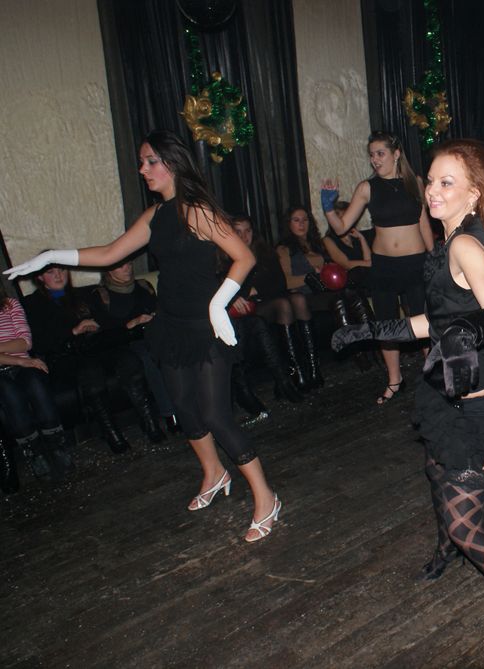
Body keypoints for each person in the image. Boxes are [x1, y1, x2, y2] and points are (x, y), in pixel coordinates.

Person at [5, 129, 280, 543]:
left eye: (150, 161)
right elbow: (110, 253)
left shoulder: (197, 210)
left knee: (215, 416)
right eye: (141, 161)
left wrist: (218, 304)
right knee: (183, 409)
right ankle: (214, 473)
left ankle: (266, 497)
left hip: (205, 327)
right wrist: (52, 256)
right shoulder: (156, 216)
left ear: (172, 163)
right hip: (170, 325)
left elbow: (244, 257)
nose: (143, 169)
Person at [330, 139, 484, 665]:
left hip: (478, 405)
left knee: (466, 524)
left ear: (474, 193)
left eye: (447, 182)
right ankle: (447, 548)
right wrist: (373, 331)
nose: (432, 190)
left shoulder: (466, 244)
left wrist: (470, 329)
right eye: (430, 180)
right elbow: (439, 318)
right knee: (434, 468)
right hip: (444, 387)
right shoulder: (454, 236)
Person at [321, 131, 434, 405]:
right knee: (385, 324)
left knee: (422, 321)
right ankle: (395, 380)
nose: (375, 159)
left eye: (380, 153)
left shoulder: (415, 183)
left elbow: (423, 223)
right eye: (371, 155)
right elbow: (341, 227)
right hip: (384, 266)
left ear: (396, 154)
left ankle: (435, 376)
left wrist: (434, 257)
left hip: (415, 263)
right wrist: (328, 207)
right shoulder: (367, 188)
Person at [22, 266, 160, 451]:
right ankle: (111, 433)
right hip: (65, 355)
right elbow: (39, 343)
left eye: (62, 270)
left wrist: (117, 325)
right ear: (40, 277)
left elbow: (108, 323)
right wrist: (73, 331)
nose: (59, 275)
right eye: (51, 272)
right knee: (91, 373)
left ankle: (150, 422)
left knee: (128, 360)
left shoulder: (84, 294)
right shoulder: (32, 303)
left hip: (97, 346)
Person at [87, 260, 172, 440]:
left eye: (128, 264)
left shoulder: (143, 286)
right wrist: (130, 324)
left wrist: (153, 317)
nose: (127, 268)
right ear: (108, 271)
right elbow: (105, 331)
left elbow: (159, 310)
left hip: (151, 336)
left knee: (170, 348)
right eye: (120, 266)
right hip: (122, 345)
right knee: (146, 357)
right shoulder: (100, 295)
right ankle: (169, 415)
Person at [0, 281, 73, 485]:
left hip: (25, 365)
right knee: (11, 395)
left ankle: (58, 447)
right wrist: (20, 360)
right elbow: (19, 348)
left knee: (36, 385)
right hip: (10, 368)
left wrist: (20, 359)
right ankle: (35, 455)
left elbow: (25, 342)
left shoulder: (10, 304)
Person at [230, 216, 304, 403]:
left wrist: (255, 290)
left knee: (287, 303)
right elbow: (224, 285)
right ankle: (286, 378)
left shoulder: (265, 253)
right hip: (241, 310)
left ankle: (294, 373)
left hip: (265, 303)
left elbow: (279, 284)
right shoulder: (225, 255)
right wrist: (243, 293)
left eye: (248, 230)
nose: (244, 236)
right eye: (238, 231)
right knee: (278, 307)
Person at [275, 206, 332, 390]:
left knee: (347, 296)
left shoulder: (318, 244)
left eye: (305, 220)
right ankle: (309, 369)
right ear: (288, 224)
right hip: (301, 293)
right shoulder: (284, 249)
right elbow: (284, 281)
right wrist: (310, 277)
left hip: (321, 292)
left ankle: (360, 353)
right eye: (296, 220)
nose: (301, 224)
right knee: (299, 300)